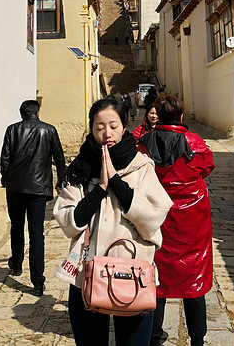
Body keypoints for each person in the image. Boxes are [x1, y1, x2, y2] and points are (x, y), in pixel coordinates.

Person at [53, 96, 172, 346]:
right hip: (88, 273)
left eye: (114, 126)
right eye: (99, 127)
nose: (107, 133)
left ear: (124, 126)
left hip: (133, 273)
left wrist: (117, 183)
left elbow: (154, 217)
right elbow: (67, 219)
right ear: (91, 128)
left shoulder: (141, 167)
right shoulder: (80, 168)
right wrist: (100, 189)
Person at [138, 94, 215, 346]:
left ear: (157, 115)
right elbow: (207, 166)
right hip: (192, 221)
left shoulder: (144, 143)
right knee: (194, 276)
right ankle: (197, 339)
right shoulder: (195, 143)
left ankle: (153, 335)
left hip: (157, 219)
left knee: (156, 278)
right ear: (181, 116)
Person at [0, 99, 65, 296]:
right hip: (38, 189)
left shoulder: (12, 129)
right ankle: (37, 281)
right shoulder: (49, 130)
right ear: (38, 113)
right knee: (37, 234)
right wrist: (60, 181)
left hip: (15, 187)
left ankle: (17, 263)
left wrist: (6, 179)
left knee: (17, 226)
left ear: (22, 114)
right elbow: (59, 158)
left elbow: (5, 158)